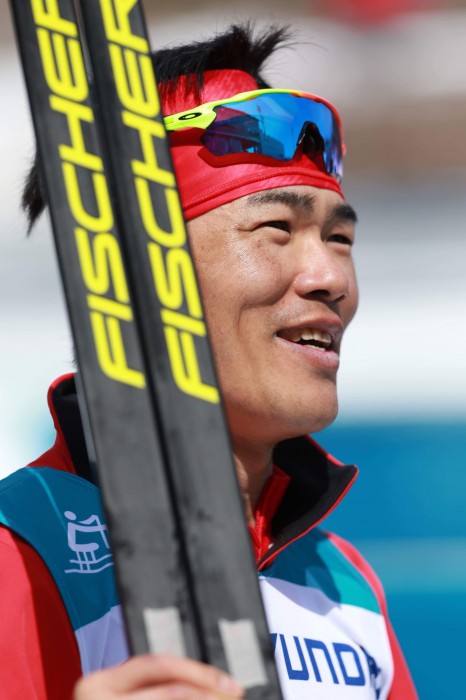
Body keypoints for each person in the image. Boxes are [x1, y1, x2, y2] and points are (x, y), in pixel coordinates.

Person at [0, 24, 418, 700]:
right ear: (137, 274)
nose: (330, 278)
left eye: (339, 238)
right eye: (276, 229)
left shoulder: (344, 583)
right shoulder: (21, 548)